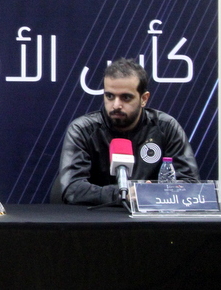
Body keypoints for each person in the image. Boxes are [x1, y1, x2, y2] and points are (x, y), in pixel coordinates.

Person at [58, 58, 200, 205]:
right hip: (98, 220)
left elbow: (190, 184)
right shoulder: (83, 130)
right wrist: (123, 193)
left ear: (144, 99)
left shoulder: (166, 127)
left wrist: (149, 193)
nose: (116, 105)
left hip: (151, 221)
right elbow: (72, 189)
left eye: (126, 97)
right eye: (110, 96)